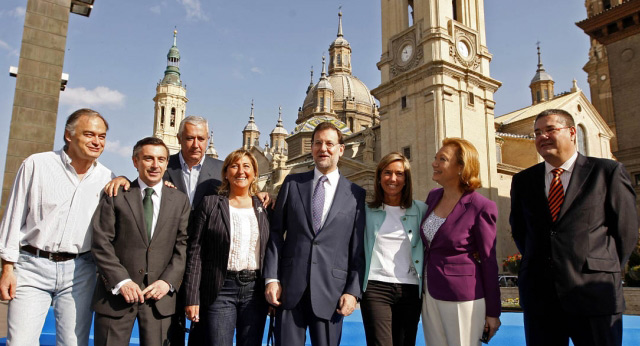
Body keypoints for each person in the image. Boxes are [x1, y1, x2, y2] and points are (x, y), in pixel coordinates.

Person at [104, 115, 270, 345]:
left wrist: (258, 196)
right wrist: (122, 179)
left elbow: (238, 195)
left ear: (207, 139)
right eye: (190, 138)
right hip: (167, 264)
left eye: (201, 138)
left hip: (206, 269)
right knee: (168, 334)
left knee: (203, 337)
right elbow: (140, 189)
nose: (196, 144)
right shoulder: (162, 164)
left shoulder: (218, 168)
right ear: (179, 138)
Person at [510, 109, 638, 346]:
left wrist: (603, 267)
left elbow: (626, 231)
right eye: (537, 132)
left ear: (572, 132)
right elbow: (520, 230)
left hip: (595, 294)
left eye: (550, 129)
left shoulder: (606, 172)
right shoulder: (523, 180)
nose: (542, 136)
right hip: (541, 297)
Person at [0, 108, 114, 345]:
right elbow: (13, 216)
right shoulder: (37, 165)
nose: (96, 142)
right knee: (20, 341)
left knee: (74, 343)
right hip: (31, 267)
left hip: (80, 271)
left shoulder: (108, 178)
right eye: (89, 134)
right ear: (69, 136)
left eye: (101, 136)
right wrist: (7, 268)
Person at [263, 121, 366, 346]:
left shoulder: (357, 194)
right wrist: (271, 278)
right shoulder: (292, 184)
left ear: (341, 149)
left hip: (332, 294)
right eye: (318, 143)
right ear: (311, 148)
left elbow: (358, 248)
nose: (323, 148)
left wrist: (353, 291)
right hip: (289, 291)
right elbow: (276, 234)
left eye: (330, 143)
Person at [91, 137, 191, 345]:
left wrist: (167, 282)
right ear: (135, 162)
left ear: (166, 163)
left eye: (161, 159)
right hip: (117, 296)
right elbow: (102, 242)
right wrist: (122, 281)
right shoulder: (116, 194)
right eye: (148, 158)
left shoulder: (179, 201)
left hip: (159, 299)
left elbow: (183, 246)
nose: (155, 165)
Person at [183, 149, 270, 345]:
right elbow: (195, 253)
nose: (241, 171)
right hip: (221, 290)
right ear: (225, 173)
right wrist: (192, 297)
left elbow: (272, 250)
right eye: (234, 166)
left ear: (255, 173)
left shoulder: (264, 207)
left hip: (254, 291)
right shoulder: (211, 204)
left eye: (246, 166)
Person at [420, 137, 501, 346]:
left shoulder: (481, 206)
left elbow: (489, 261)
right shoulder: (432, 197)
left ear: (461, 167)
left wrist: (493, 312)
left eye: (442, 159)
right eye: (435, 158)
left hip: (463, 297)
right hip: (429, 292)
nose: (434, 163)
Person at [361, 152, 427, 346]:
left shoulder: (422, 210)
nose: (393, 178)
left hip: (410, 289)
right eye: (387, 172)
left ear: (406, 179)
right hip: (375, 288)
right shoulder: (365, 211)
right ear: (379, 177)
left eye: (399, 174)